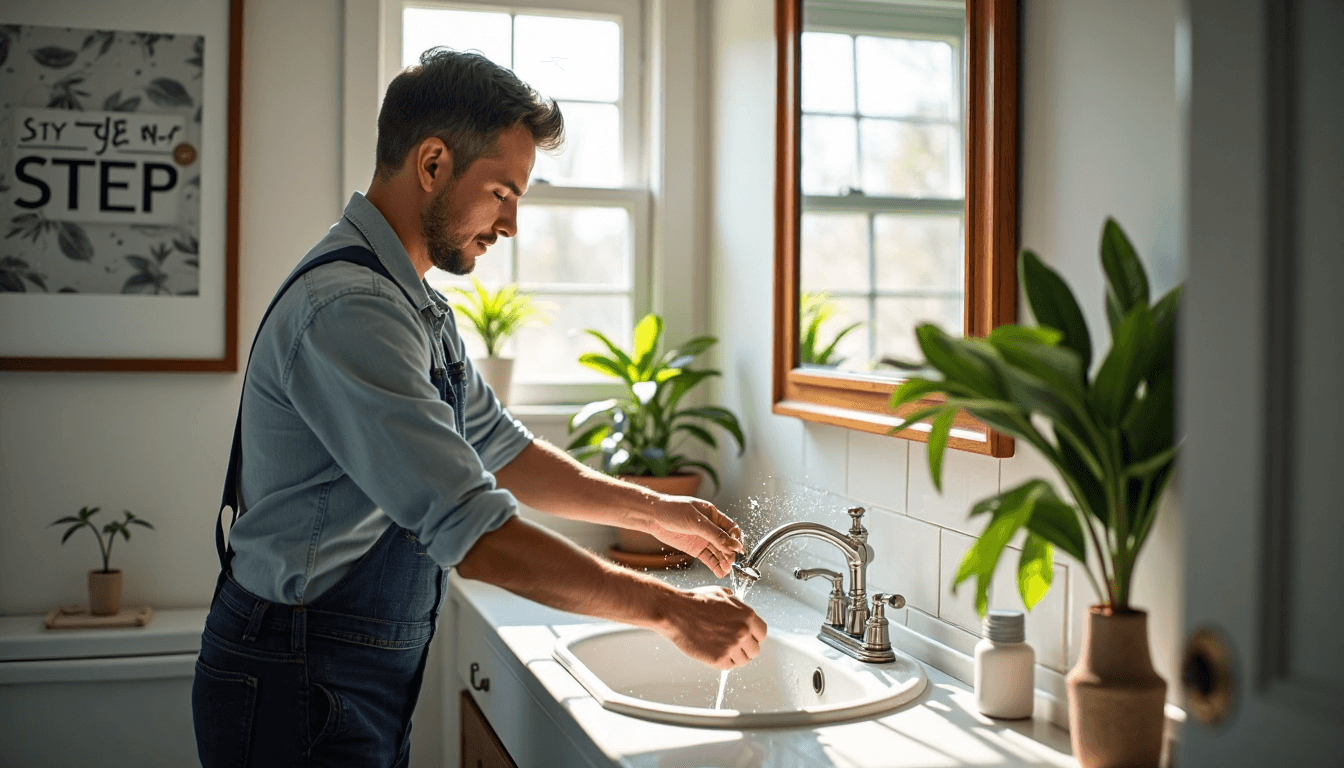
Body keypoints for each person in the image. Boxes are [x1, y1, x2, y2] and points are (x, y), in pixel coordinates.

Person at [192, 48, 765, 767]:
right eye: (503, 192)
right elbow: (474, 531)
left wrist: (656, 514)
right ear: (433, 163)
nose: (512, 225)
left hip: (339, 671)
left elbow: (500, 447)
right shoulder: (352, 310)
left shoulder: (414, 304)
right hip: (295, 678)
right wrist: (669, 610)